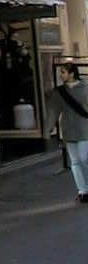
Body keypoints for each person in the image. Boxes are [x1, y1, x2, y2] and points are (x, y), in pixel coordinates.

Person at [48, 63, 88, 202]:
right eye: (61, 72)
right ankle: (83, 191)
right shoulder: (59, 92)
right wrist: (48, 128)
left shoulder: (85, 87)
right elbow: (54, 111)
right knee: (75, 162)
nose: (61, 75)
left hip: (84, 129)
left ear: (72, 73)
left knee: (84, 159)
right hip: (68, 130)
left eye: (63, 72)